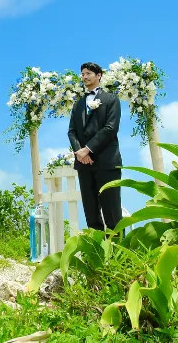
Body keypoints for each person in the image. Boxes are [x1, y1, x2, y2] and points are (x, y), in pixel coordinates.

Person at [67, 62, 123, 233]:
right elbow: (72, 132)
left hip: (107, 162)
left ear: (99, 75)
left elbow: (110, 128)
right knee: (90, 212)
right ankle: (95, 253)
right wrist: (80, 153)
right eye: (82, 74)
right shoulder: (77, 104)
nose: (84, 77)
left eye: (88, 73)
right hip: (84, 165)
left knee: (112, 212)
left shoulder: (111, 100)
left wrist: (88, 149)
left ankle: (118, 254)